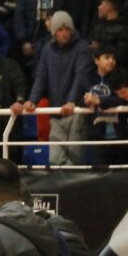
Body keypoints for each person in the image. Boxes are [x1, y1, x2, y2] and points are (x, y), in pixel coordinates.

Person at [25, 12, 95, 165]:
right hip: (56, 112)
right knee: (55, 159)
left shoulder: (82, 48)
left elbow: (81, 75)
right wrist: (32, 100)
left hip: (77, 112)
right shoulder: (47, 50)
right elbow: (41, 77)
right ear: (54, 31)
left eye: (67, 29)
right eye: (60, 29)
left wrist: (71, 101)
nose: (64, 33)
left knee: (73, 159)